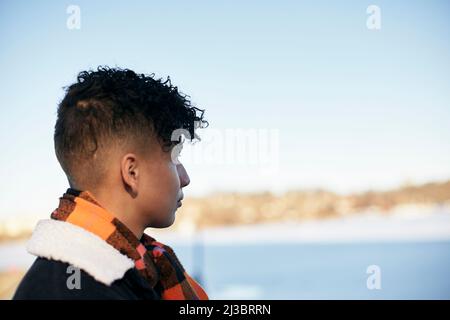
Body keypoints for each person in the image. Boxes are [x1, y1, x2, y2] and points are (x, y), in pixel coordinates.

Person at [13, 67, 209, 300]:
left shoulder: (134, 270)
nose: (185, 178)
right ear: (132, 172)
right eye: (174, 158)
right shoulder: (78, 291)